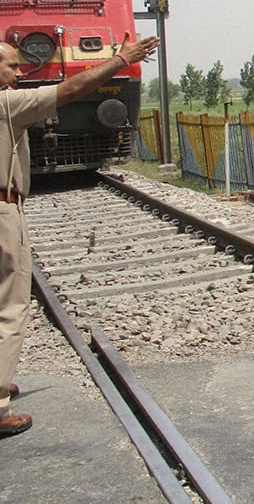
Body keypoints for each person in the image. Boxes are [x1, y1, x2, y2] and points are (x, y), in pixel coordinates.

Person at [0, 33, 160, 437]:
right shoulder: (6, 104)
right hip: (2, 210)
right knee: (9, 305)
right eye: (12, 66)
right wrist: (121, 59)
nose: (21, 72)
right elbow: (71, 89)